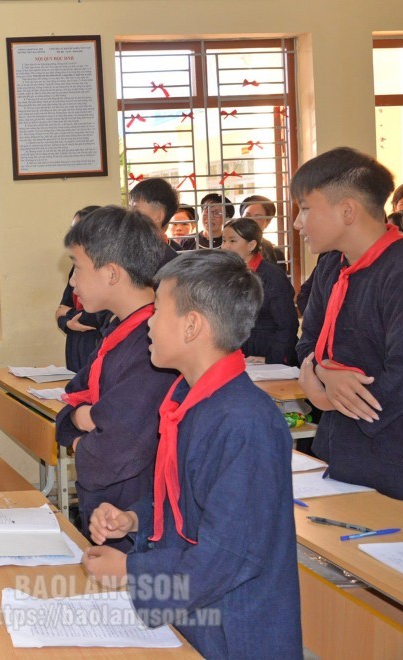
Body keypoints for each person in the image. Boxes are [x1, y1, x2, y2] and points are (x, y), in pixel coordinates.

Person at [84, 250, 302, 659]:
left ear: (191, 326)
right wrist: (134, 518)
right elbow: (190, 499)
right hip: (192, 617)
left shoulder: (245, 421)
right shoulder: (191, 397)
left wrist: (130, 571)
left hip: (234, 631)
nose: (148, 322)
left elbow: (228, 557)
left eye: (157, 311)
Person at [295, 147, 403, 501]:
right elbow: (308, 342)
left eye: (306, 209)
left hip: (399, 462)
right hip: (339, 451)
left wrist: (331, 398)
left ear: (348, 210)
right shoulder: (330, 266)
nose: (297, 223)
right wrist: (324, 374)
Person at [54, 206, 177, 546]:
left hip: (134, 514)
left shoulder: (155, 345)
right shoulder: (118, 328)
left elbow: (117, 444)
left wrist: (81, 435)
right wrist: (83, 418)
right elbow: (71, 399)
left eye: (77, 267)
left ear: (111, 273)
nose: (73, 281)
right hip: (112, 510)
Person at [221, 217, 299, 365]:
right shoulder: (227, 273)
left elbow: (287, 324)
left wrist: (272, 359)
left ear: (251, 245)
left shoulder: (272, 276)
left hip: (268, 353)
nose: (225, 246)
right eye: (224, 240)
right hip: (240, 353)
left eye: (232, 241)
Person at [56, 206, 104, 373]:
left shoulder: (106, 267)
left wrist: (68, 315)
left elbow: (98, 316)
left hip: (95, 341)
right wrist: (68, 322)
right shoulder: (75, 265)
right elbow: (60, 309)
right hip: (75, 340)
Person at [127, 178, 180, 265]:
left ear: (158, 216)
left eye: (135, 208)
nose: (129, 213)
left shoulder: (168, 260)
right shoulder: (128, 247)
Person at [239, 194, 286, 267]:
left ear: (267, 222)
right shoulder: (230, 248)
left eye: (258, 217)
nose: (251, 221)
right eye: (247, 216)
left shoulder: (275, 253)